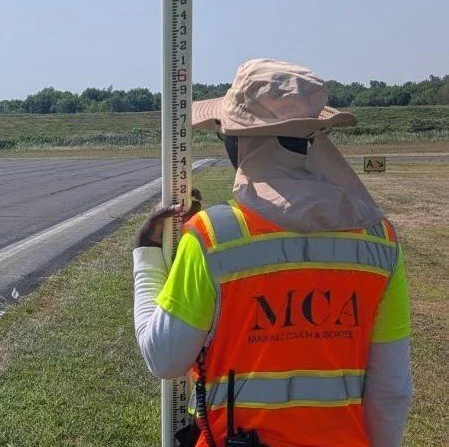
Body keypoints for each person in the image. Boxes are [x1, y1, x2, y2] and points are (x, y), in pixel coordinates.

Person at [132, 59, 412, 447]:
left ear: (239, 141)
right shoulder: (380, 241)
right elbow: (392, 388)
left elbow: (163, 358)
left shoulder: (214, 237)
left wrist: (146, 256)